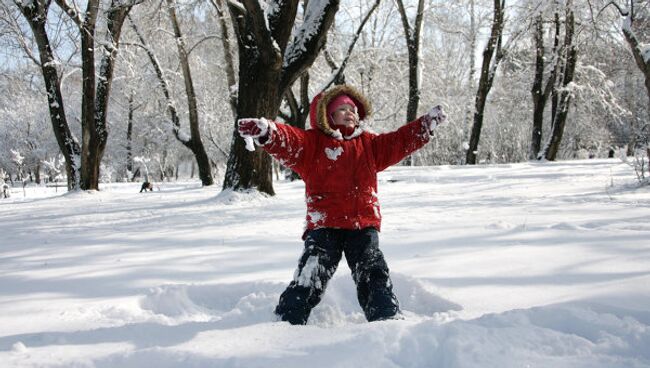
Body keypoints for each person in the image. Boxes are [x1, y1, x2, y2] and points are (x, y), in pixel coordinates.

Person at [237, 84, 446, 325]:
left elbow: (398, 142)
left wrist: (423, 127)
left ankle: (386, 318)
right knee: (311, 273)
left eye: (354, 109)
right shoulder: (312, 144)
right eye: (343, 108)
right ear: (327, 114)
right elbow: (289, 140)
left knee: (373, 272)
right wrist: (268, 132)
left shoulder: (370, 144)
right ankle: (288, 320)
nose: (350, 113)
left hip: (363, 223)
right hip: (325, 224)